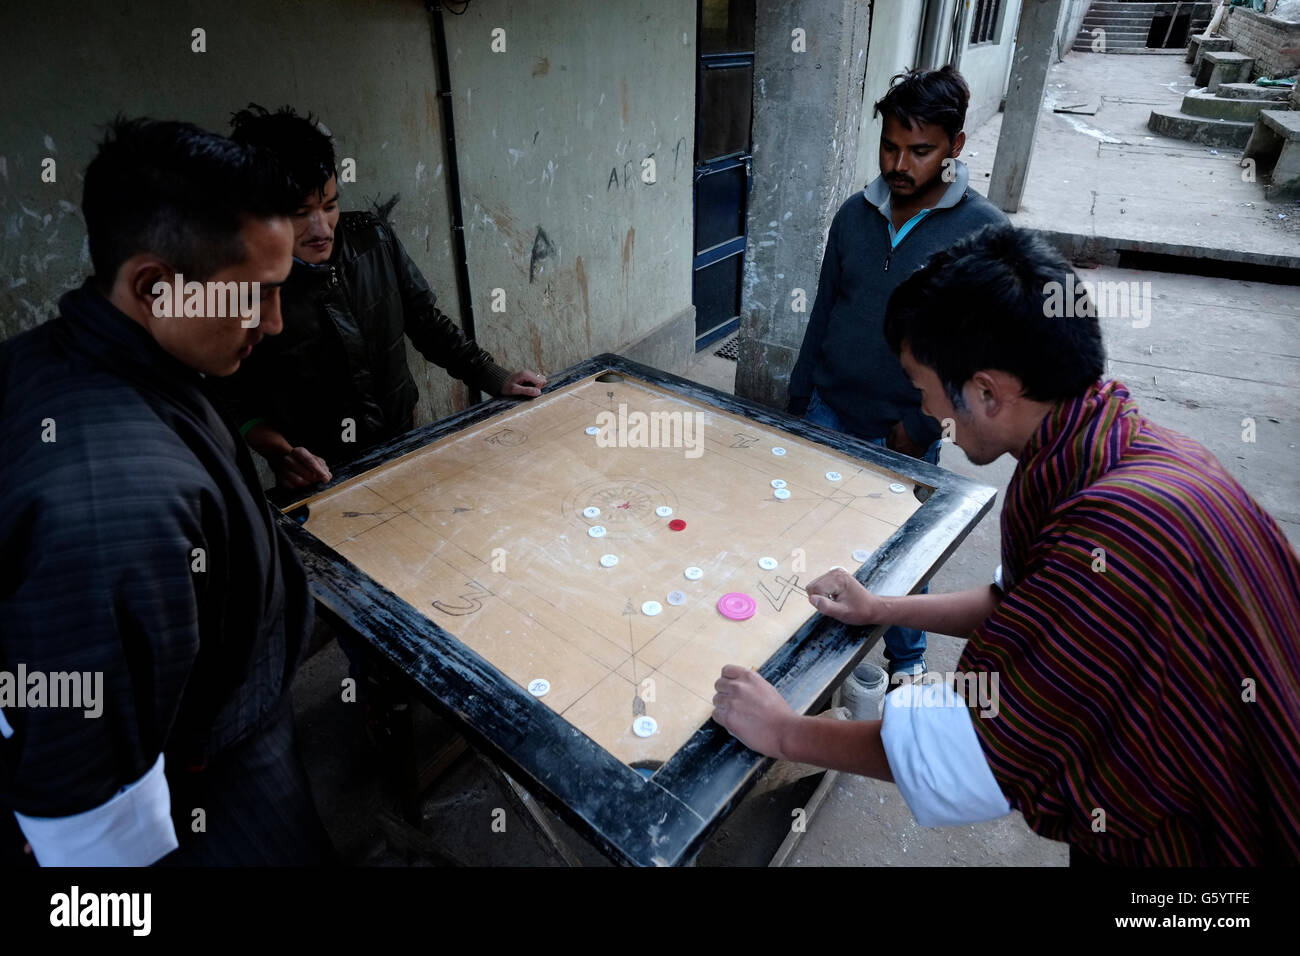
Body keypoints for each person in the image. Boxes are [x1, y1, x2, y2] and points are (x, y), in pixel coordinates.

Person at [715, 224, 1300, 865]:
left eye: (923, 389)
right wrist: (880, 607)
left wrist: (784, 732)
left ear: (987, 393)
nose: (924, 409)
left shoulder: (1119, 531)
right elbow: (1017, 606)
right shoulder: (1108, 446)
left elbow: (977, 748)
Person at [0, 118, 335, 865]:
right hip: (214, 806)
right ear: (154, 285)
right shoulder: (112, 510)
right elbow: (87, 820)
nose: (274, 324)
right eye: (258, 296)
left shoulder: (70, 357)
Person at [787, 66, 1008, 687]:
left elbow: (976, 359)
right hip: (828, 407)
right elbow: (825, 309)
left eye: (920, 150)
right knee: (815, 530)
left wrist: (923, 423)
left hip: (904, 431)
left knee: (900, 555)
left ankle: (906, 669)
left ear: (955, 148)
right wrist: (800, 396)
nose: (899, 163)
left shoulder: (983, 233)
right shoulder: (853, 217)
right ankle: (802, 652)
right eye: (889, 145)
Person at [210, 104, 546, 491]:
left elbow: (425, 321)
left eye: (330, 205)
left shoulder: (373, 239)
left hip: (404, 440)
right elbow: (235, 402)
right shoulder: (240, 288)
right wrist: (282, 454)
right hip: (322, 474)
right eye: (301, 213)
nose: (322, 228)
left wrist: (493, 375)